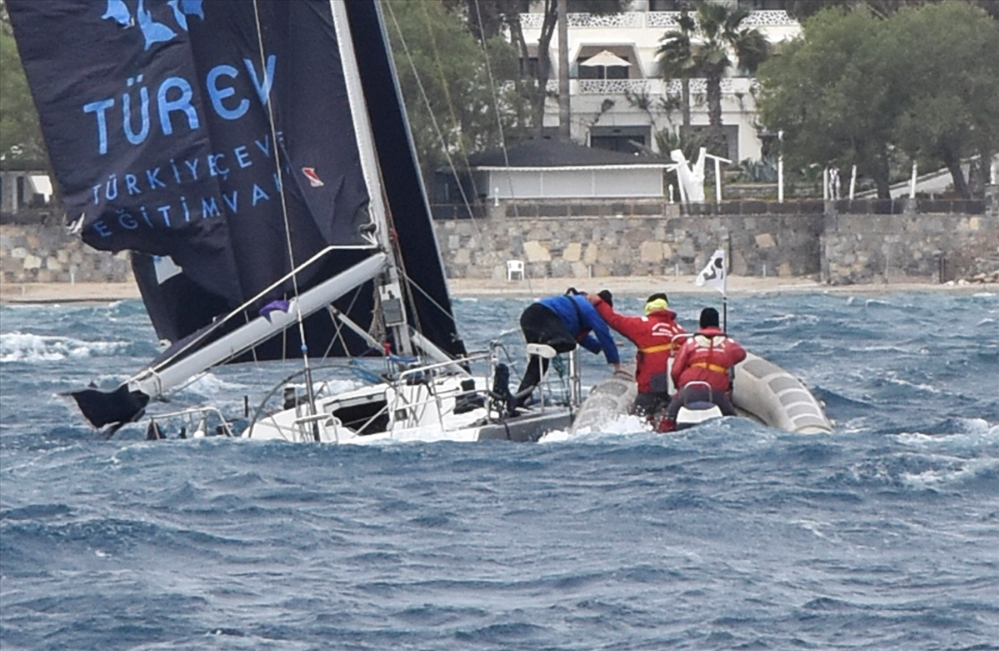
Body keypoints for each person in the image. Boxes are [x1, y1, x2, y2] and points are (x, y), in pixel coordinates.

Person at [588, 291, 685, 424]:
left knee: (637, 420)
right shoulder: (679, 330)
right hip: (675, 385)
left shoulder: (643, 325)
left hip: (651, 384)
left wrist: (599, 303)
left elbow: (614, 320)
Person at [515, 289, 621, 399]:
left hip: (528, 316)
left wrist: (601, 347)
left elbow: (581, 338)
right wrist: (616, 364)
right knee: (569, 343)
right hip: (543, 314)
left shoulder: (579, 304)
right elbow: (602, 331)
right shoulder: (590, 308)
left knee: (539, 366)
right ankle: (548, 344)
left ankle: (517, 400)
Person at [661, 307, 746, 430]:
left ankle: (664, 429)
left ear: (701, 323)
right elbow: (741, 355)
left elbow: (675, 371)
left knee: (668, 418)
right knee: (732, 419)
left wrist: (678, 388)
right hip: (716, 392)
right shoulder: (729, 344)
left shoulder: (690, 343)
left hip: (689, 390)